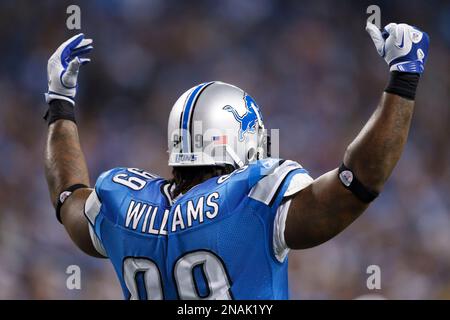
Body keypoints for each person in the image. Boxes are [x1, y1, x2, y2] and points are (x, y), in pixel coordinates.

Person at [43, 22, 429, 299]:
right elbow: (358, 183)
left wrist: (60, 102)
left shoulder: (119, 202)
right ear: (239, 141)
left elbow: (68, 196)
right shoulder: (251, 197)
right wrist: (404, 77)